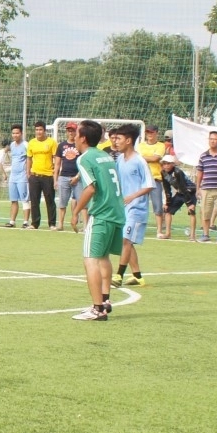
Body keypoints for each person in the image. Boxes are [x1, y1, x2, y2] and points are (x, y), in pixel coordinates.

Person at [71, 120, 124, 321]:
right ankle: (105, 300)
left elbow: (90, 188)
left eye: (76, 134)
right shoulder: (105, 156)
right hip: (116, 212)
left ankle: (97, 309)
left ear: (83, 138)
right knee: (103, 257)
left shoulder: (85, 158)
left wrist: (76, 212)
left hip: (101, 214)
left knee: (90, 259)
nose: (74, 137)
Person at [110, 124, 154, 287]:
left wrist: (132, 197)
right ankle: (137, 276)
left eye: (119, 138)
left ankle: (118, 276)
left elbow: (149, 185)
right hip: (123, 207)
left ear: (128, 140)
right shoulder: (120, 159)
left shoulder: (140, 161)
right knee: (127, 242)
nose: (115, 141)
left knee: (125, 240)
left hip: (136, 208)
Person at [194, 130, 217, 243]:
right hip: (206, 188)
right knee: (205, 212)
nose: (212, 141)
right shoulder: (203, 156)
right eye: (211, 139)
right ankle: (205, 234)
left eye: (215, 139)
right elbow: (200, 172)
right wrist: (198, 188)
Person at [26, 120, 57, 230]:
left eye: (40, 130)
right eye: (37, 130)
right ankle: (35, 224)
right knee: (34, 201)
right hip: (35, 175)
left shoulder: (52, 142)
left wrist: (55, 173)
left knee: (50, 200)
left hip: (48, 175)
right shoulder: (31, 143)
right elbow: (29, 158)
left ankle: (52, 224)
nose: (38, 132)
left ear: (44, 131)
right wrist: (28, 173)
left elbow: (56, 158)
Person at [138, 126, 168, 237]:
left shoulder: (161, 145)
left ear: (156, 133)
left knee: (158, 206)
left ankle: (159, 230)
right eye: (148, 132)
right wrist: (148, 158)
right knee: (140, 205)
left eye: (152, 132)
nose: (149, 134)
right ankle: (139, 229)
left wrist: (143, 157)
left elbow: (155, 158)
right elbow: (139, 159)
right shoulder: (140, 145)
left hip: (155, 179)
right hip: (142, 180)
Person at [53, 121, 82, 232]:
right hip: (64, 176)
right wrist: (55, 179)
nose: (71, 133)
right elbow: (57, 164)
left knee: (81, 202)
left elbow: (84, 163)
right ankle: (60, 224)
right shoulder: (61, 146)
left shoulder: (80, 145)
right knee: (62, 202)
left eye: (73, 131)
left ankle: (83, 224)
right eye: (69, 131)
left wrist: (78, 176)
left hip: (78, 178)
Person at [160, 155, 197, 240]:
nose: (166, 166)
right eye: (164, 163)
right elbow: (167, 188)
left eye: (168, 163)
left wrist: (189, 203)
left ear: (172, 164)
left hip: (189, 192)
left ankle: (192, 235)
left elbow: (183, 187)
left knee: (191, 211)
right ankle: (168, 233)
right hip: (180, 192)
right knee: (168, 211)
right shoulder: (163, 173)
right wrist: (167, 202)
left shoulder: (177, 172)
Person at [5, 124, 31, 228]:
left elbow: (30, 159)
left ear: (21, 133)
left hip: (22, 176)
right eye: (13, 133)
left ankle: (25, 222)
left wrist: (28, 172)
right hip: (13, 176)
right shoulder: (12, 145)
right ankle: (12, 221)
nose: (15, 135)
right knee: (13, 200)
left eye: (17, 133)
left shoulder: (26, 145)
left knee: (25, 199)